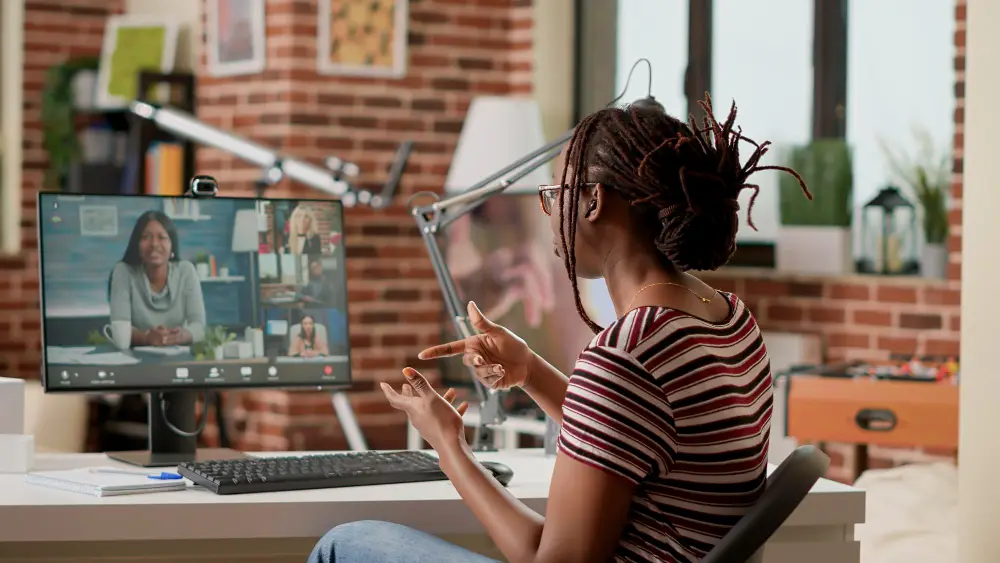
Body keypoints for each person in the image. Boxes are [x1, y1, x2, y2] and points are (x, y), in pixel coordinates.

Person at [308, 94, 811, 563]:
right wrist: (529, 370)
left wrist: (448, 447)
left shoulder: (627, 352)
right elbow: (630, 434)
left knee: (343, 544)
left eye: (553, 193)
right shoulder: (728, 316)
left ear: (592, 201)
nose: (549, 213)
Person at [109, 210, 207, 347]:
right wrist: (147, 338)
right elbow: (120, 328)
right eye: (146, 237)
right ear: (137, 245)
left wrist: (182, 335)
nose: (154, 244)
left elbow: (199, 326)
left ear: (172, 245)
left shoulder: (186, 271)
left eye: (162, 237)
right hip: (135, 360)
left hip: (177, 358)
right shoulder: (123, 272)